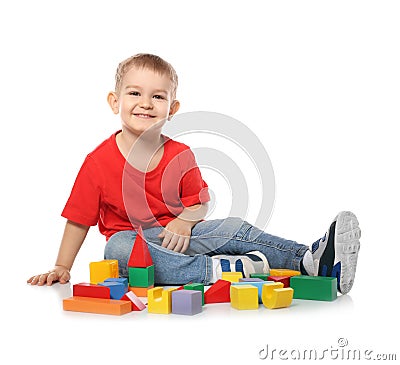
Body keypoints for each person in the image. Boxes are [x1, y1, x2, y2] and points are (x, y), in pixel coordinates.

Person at [27, 53, 361, 294]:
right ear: (115, 101)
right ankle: (221, 270)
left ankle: (309, 259)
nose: (145, 103)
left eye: (157, 96)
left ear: (172, 109)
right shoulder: (97, 162)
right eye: (134, 93)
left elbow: (199, 202)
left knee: (233, 227)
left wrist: (185, 220)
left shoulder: (179, 155)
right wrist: (62, 267)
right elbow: (78, 219)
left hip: (183, 237)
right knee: (117, 246)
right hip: (139, 249)